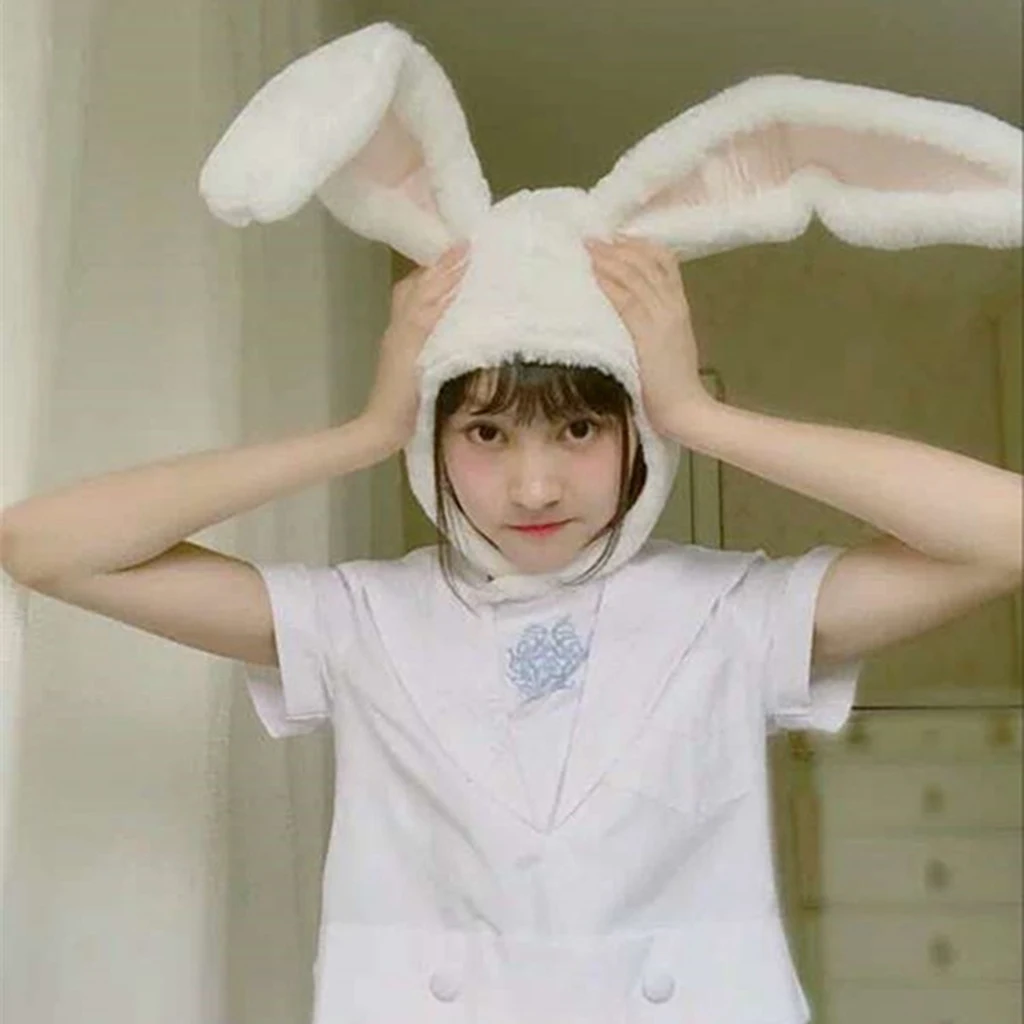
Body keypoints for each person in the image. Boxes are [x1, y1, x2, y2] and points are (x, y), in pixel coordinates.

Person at [2, 237, 1021, 1023]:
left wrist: (698, 415)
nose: (535, 486)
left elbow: (1006, 532)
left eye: (579, 428)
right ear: (433, 442)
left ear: (635, 438)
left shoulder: (732, 615)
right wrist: (362, 432)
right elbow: (44, 546)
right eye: (485, 432)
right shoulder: (359, 618)